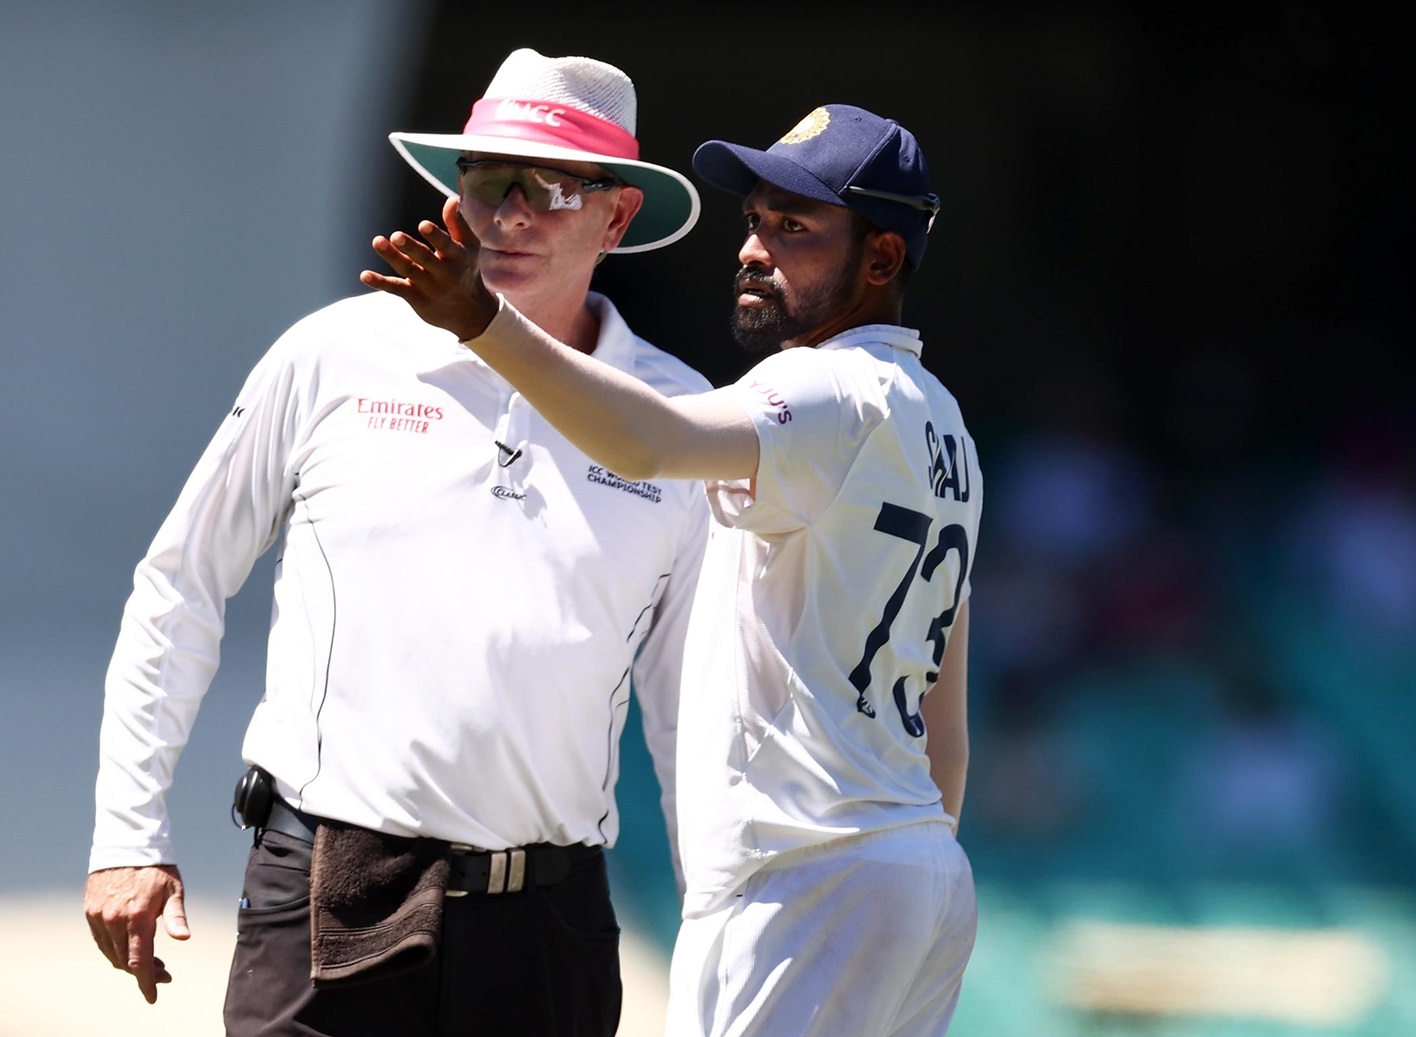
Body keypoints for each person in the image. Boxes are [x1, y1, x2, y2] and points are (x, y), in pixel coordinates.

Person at [84, 47, 714, 1037]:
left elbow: (693, 705)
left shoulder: (681, 419)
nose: (507, 213)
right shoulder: (335, 351)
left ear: (617, 214)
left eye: (546, 186)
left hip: (546, 929)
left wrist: (711, 926)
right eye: (484, 180)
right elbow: (182, 580)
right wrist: (126, 833)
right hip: (323, 887)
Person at [363, 103, 982, 1037]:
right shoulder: (946, 426)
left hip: (803, 875)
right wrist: (904, 873)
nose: (754, 248)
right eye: (756, 220)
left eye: (795, 228)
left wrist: (483, 320)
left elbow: (649, 442)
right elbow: (947, 728)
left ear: (883, 259)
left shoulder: (820, 387)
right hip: (917, 871)